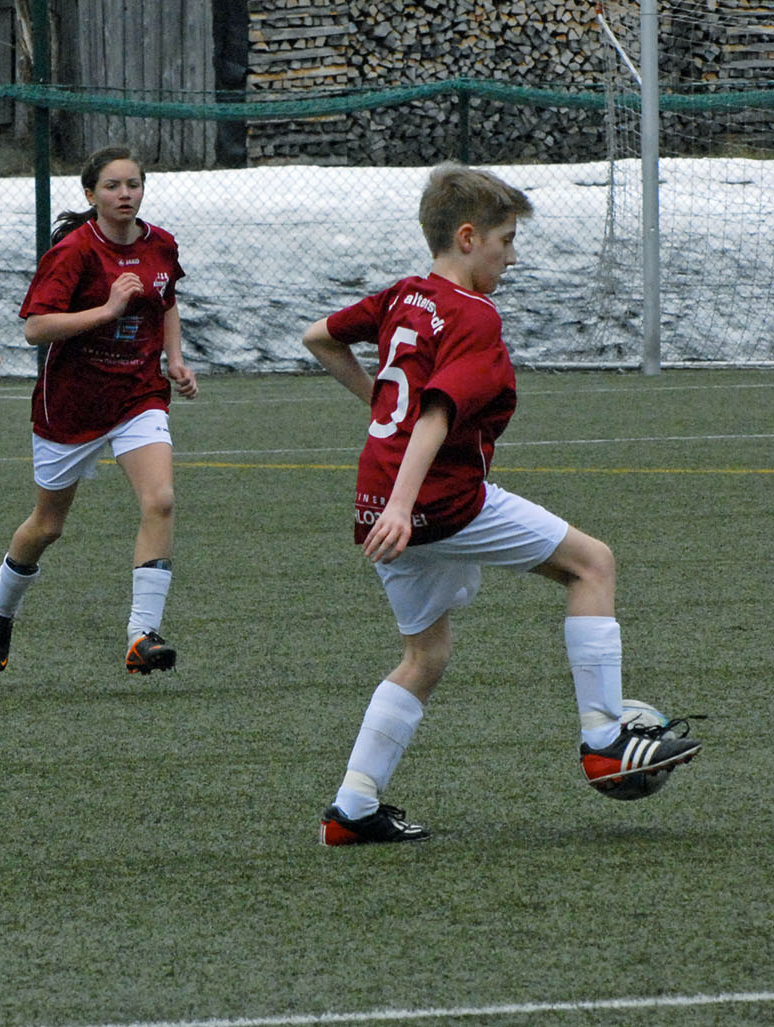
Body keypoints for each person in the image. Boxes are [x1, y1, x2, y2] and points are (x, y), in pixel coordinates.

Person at [301, 163, 702, 845]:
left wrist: (379, 412)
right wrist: (406, 502)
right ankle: (605, 739)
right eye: (506, 241)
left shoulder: (404, 295)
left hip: (376, 498)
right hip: (439, 499)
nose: (511, 257)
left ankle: (353, 808)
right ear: (468, 238)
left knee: (425, 656)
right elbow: (436, 412)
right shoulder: (474, 315)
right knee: (592, 565)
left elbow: (319, 336)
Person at [0, 145, 198, 676]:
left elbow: (166, 301)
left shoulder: (161, 244)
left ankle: (142, 635)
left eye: (133, 185)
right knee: (47, 526)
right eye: (112, 186)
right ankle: (0, 608)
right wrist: (107, 309)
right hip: (72, 405)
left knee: (161, 500)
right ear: (90, 194)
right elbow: (36, 328)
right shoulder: (74, 252)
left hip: (138, 395)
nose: (125, 194)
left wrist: (174, 359)